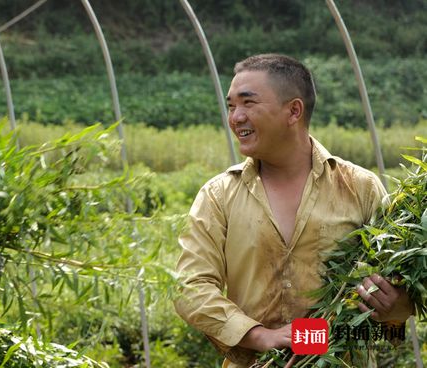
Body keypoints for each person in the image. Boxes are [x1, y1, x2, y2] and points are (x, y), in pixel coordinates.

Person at [173, 54, 413, 367]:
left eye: (248, 103)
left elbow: (400, 298)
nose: (235, 117)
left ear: (294, 111)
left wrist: (395, 304)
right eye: (231, 105)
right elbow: (189, 287)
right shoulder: (218, 195)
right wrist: (260, 336)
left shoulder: (360, 188)